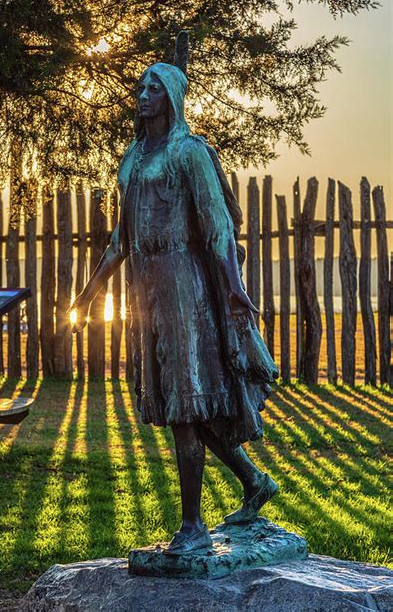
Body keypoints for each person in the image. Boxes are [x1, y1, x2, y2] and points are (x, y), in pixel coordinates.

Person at [70, 61, 279, 555]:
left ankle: (192, 527)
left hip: (186, 287)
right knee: (177, 403)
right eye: (140, 86)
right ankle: (254, 482)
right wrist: (91, 292)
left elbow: (218, 227)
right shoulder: (133, 156)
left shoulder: (190, 153)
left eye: (154, 88)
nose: (142, 95)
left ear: (173, 97)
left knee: (188, 403)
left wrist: (232, 285)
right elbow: (120, 239)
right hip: (147, 290)